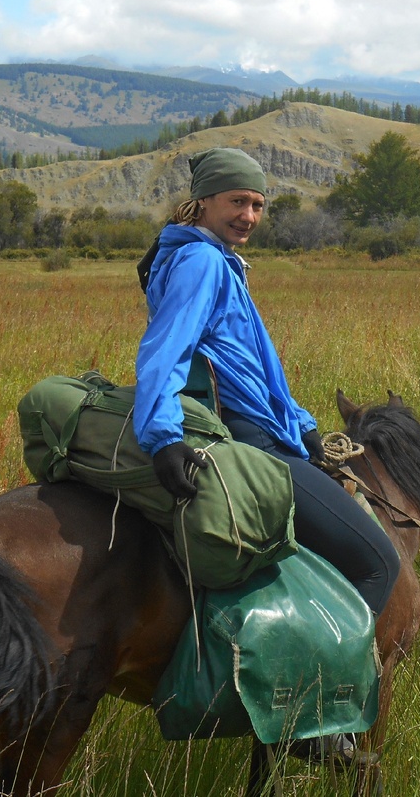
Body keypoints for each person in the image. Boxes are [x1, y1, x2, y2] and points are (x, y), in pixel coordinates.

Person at [133, 146, 400, 618]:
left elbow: (254, 367)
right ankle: (329, 683)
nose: (249, 216)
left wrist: (301, 424)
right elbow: (165, 349)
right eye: (237, 202)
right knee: (378, 564)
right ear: (205, 201)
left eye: (257, 205)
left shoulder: (215, 258)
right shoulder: (204, 262)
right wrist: (162, 438)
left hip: (268, 429)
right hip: (253, 442)